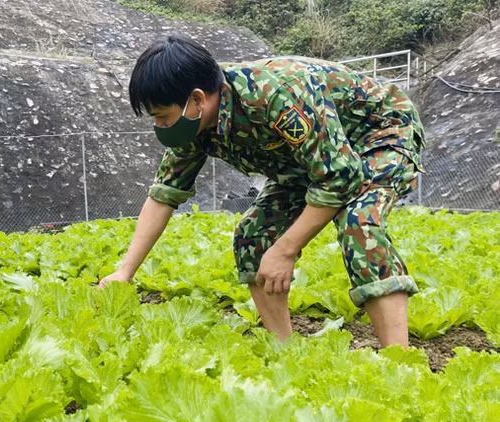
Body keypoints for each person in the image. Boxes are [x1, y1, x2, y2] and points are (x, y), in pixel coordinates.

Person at [98, 34, 426, 348]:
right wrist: (125, 271)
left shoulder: (276, 95)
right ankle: (284, 349)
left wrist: (285, 250)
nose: (161, 127)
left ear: (197, 100)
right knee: (252, 237)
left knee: (359, 223)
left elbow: (339, 178)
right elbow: (163, 195)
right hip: (308, 160)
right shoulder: (193, 125)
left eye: (163, 117)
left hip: (379, 134)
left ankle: (398, 365)